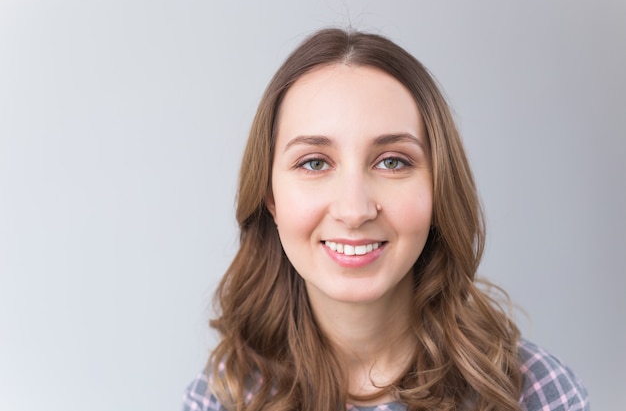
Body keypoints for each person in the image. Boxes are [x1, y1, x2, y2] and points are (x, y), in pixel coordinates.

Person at [182, 28, 589, 411]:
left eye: (392, 161)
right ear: (270, 196)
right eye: (314, 163)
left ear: (439, 188)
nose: (355, 210)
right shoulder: (226, 395)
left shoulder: (534, 393)